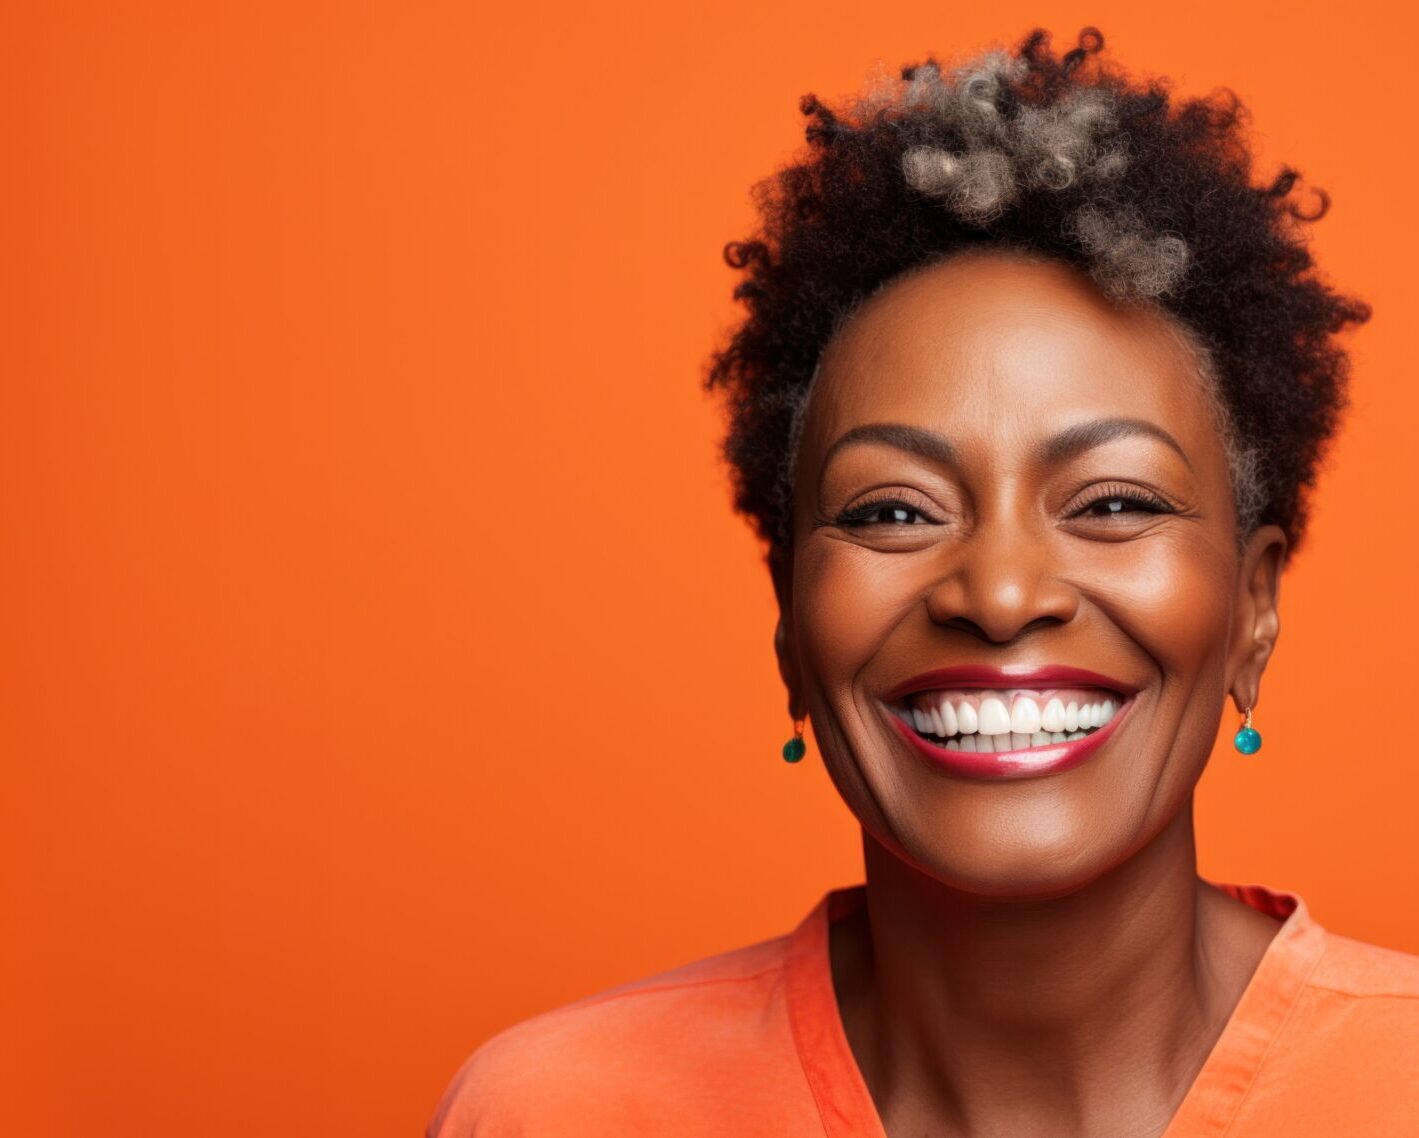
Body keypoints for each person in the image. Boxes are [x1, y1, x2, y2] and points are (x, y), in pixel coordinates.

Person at [427, 26, 1419, 1137]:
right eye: (893, 511)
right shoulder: (555, 1114)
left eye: (1110, 503)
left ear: (1252, 609)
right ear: (787, 624)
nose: (998, 595)